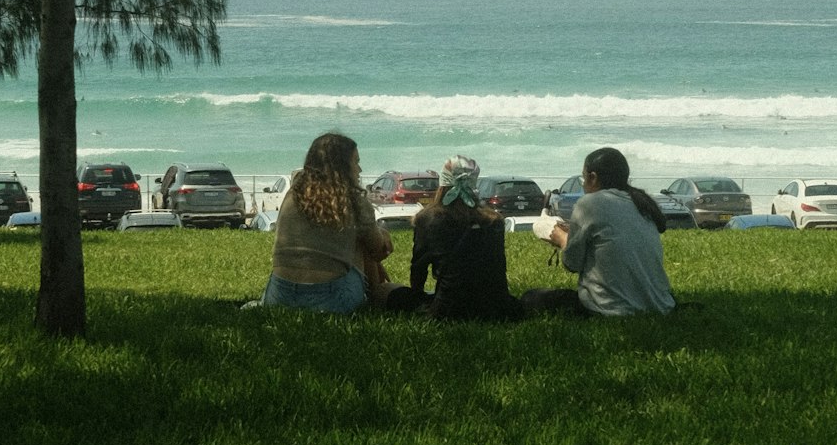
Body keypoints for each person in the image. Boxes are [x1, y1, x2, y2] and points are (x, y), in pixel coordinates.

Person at [522, 146, 676, 318]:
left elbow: (571, 264)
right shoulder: (641, 204)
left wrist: (561, 238)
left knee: (531, 297)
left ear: (592, 177)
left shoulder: (589, 203)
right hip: (660, 305)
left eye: (583, 177)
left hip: (608, 308)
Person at [261, 133, 392, 312]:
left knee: (359, 237)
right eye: (356, 162)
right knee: (363, 242)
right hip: (331, 301)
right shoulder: (353, 200)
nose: (359, 169)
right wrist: (384, 234)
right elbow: (378, 249)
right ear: (343, 166)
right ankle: (375, 298)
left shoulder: (293, 194)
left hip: (278, 296)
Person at [409, 156, 524, 321]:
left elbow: (419, 268)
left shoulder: (428, 219)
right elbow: (498, 269)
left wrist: (416, 300)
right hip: (495, 307)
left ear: (443, 183)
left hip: (449, 309)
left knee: (394, 293)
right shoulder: (494, 221)